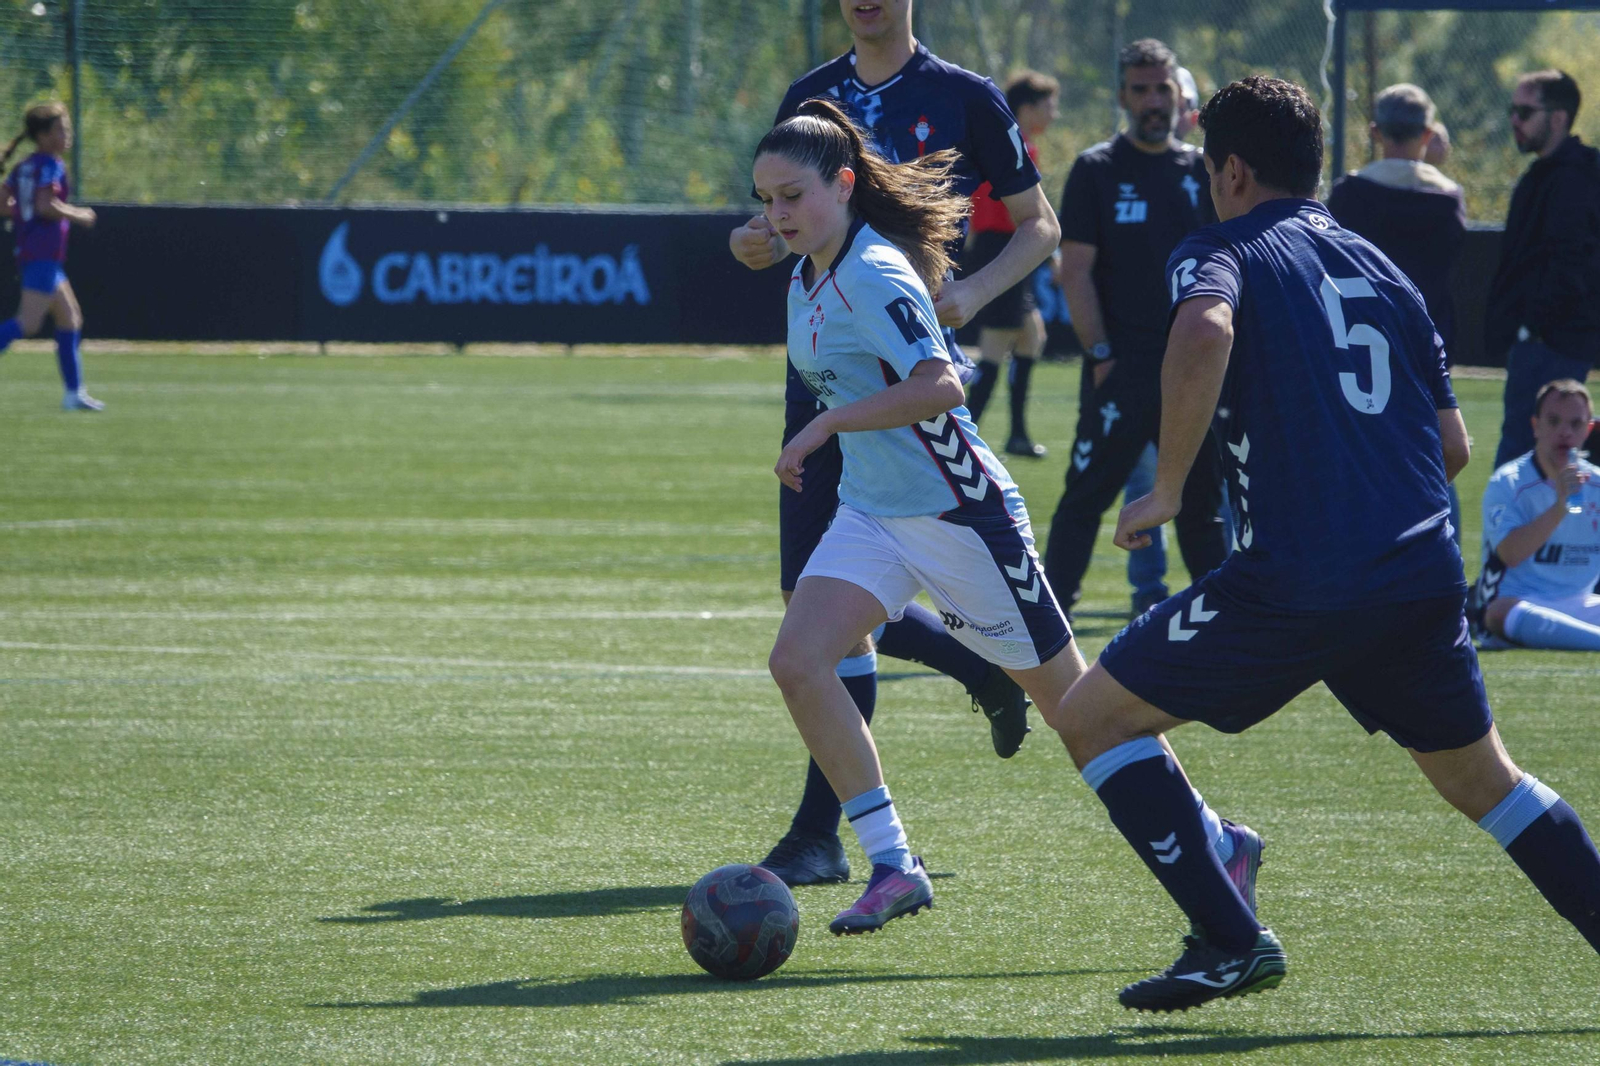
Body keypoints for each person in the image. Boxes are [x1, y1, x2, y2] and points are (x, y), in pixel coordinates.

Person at [1047, 75, 1600, 1013]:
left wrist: (1172, 485)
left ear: (1228, 171)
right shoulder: (1383, 270)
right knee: (1489, 785)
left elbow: (1205, 324)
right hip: (1420, 575)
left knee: (1091, 717)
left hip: (1300, 579)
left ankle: (1231, 935)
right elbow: (1455, 446)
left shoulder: (1223, 246)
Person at [728, 0, 1054, 886]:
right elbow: (762, 227)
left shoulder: (966, 96)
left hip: (913, 403)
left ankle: (827, 831)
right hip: (828, 384)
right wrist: (758, 238)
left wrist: (972, 294)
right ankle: (848, 841)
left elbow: (1040, 225)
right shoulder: (812, 96)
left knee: (1069, 698)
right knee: (813, 623)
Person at [1045, 39, 1230, 619]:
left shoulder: (1204, 171)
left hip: (1194, 369)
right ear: (1123, 95)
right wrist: (1100, 354)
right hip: (1122, 368)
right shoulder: (1097, 169)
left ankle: (1224, 629)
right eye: (1141, 89)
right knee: (1083, 502)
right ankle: (1045, 630)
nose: (1153, 100)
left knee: (1204, 509)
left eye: (1163, 89)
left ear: (1180, 95)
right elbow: (1074, 271)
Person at [1327, 83, 1467, 542]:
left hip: (1358, 344)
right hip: (1426, 347)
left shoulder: (1351, 194)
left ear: (1375, 131)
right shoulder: (1446, 199)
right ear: (1427, 133)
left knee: (1354, 456)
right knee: (1434, 456)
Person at [1488, 70, 1600, 468]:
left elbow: (1572, 263)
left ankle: (1515, 533)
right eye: (1512, 110)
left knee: (1522, 461)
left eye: (1524, 111)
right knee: (1536, 459)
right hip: (1547, 340)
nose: (1515, 121)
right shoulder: (1550, 173)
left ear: (1558, 117)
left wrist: (1533, 326)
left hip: (1550, 343)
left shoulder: (1573, 178)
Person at [960, 70, 1059, 460]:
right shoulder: (1016, 145)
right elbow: (1024, 215)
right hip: (1006, 248)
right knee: (996, 343)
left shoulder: (1001, 139)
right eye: (1050, 106)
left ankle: (1015, 433)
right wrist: (1049, 253)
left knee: (1031, 334)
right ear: (1028, 107)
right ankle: (961, 434)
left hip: (996, 245)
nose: (1054, 115)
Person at [1473, 379, 1600, 650]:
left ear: (1588, 429)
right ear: (1536, 426)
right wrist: (1560, 507)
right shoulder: (1508, 483)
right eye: (1553, 421)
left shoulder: (1597, 484)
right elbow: (1510, 554)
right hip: (1520, 605)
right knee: (1499, 613)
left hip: (1581, 605)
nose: (1564, 432)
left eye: (1575, 424)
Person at [0, 102, 101, 410]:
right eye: (60, 129)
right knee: (27, 323)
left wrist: (21, 212)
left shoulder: (24, 166)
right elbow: (46, 205)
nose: (66, 134)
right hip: (42, 252)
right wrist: (79, 215)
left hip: (39, 254)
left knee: (70, 318)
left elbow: (4, 202)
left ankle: (74, 394)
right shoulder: (50, 164)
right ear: (43, 136)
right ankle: (74, 393)